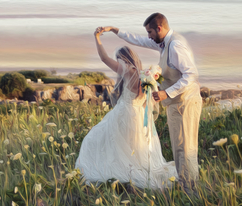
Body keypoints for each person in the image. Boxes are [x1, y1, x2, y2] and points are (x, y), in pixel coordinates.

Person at [96, 13, 202, 191]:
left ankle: (190, 189)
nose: (148, 37)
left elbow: (191, 75)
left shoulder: (175, 45)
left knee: (185, 148)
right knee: (179, 148)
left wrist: (166, 93)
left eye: (150, 32)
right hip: (176, 103)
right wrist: (115, 30)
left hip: (185, 102)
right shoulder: (164, 43)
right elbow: (137, 40)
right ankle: (187, 184)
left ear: (159, 28)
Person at [74, 30, 177, 190]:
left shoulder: (127, 70)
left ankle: (122, 175)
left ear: (123, 59)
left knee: (95, 140)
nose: (118, 64)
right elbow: (144, 103)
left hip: (124, 114)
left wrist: (97, 38)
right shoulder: (145, 77)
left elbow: (103, 58)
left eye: (119, 60)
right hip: (138, 116)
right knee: (132, 149)